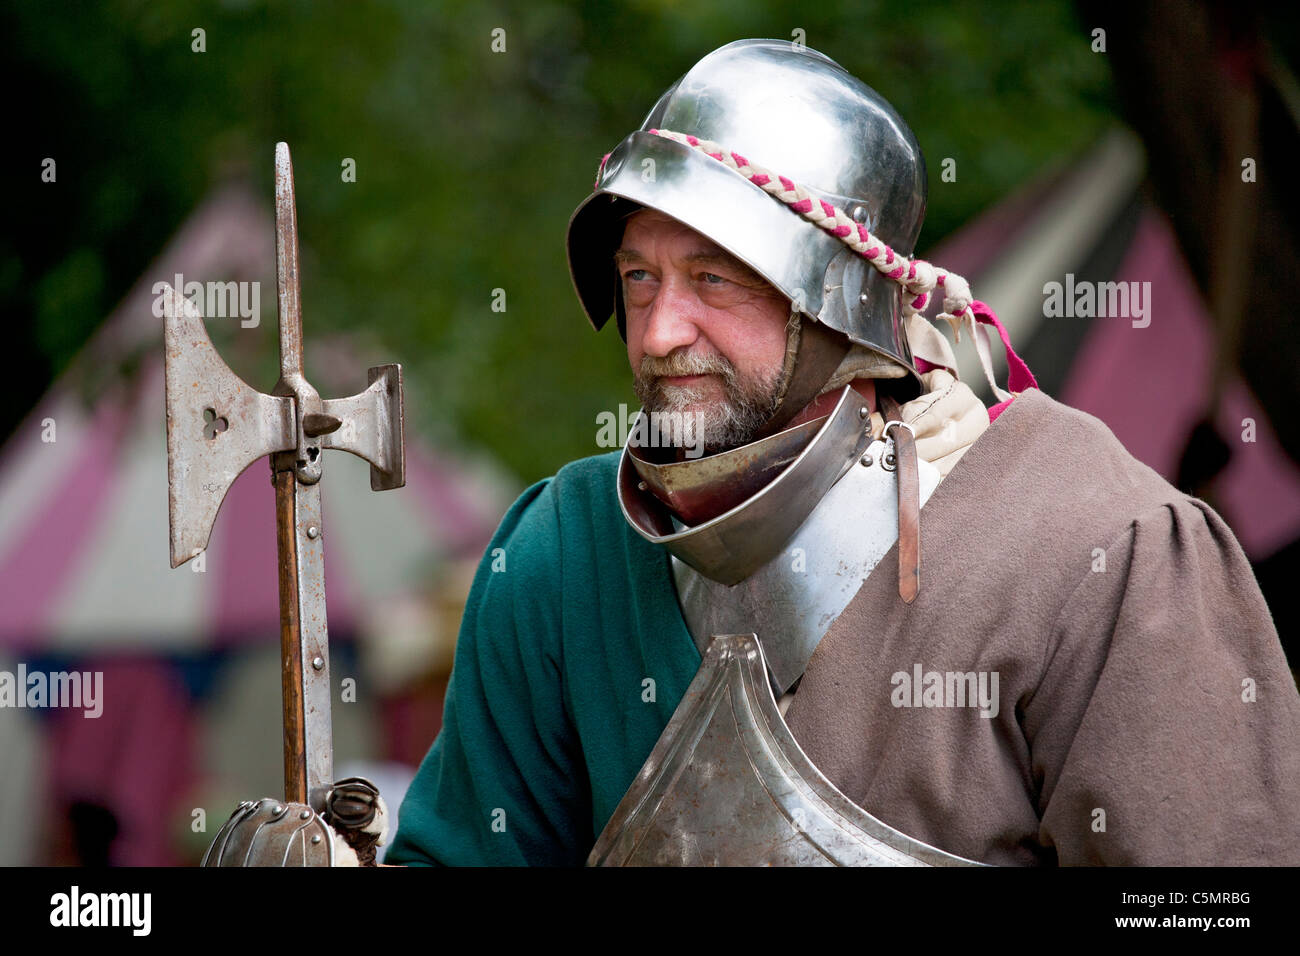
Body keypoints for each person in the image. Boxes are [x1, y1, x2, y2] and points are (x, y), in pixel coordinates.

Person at [237, 38, 1300, 867]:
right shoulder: (560, 554)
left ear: (837, 294)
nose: (655, 334)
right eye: (640, 277)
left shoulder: (1103, 549)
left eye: (716, 278)